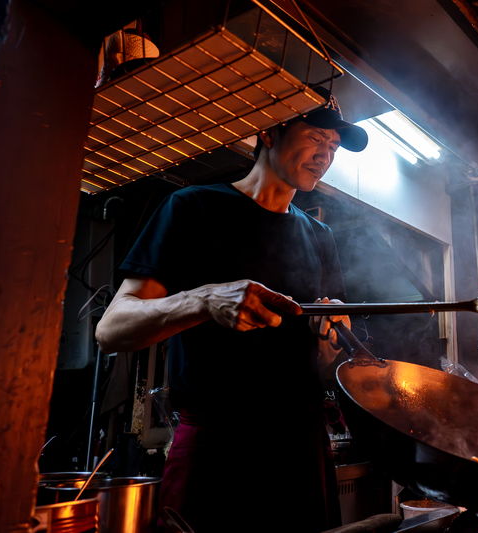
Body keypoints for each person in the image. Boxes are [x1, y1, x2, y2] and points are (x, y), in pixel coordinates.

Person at [95, 86, 368, 532]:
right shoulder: (194, 207)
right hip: (216, 445)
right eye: (317, 138)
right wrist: (203, 299)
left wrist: (335, 338)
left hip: (300, 447)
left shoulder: (321, 238)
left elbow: (323, 371)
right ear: (268, 131)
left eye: (334, 146)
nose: (326, 155)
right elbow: (111, 330)